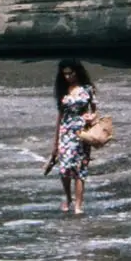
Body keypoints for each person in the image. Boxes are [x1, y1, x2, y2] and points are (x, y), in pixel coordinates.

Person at [44, 58, 99, 215]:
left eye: (70, 73)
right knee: (65, 168)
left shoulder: (87, 89)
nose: (68, 77)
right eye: (65, 74)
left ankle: (78, 204)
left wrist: (91, 117)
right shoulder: (63, 90)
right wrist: (55, 143)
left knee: (80, 168)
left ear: (77, 72)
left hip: (82, 131)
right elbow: (60, 116)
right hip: (66, 131)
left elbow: (94, 110)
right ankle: (68, 198)